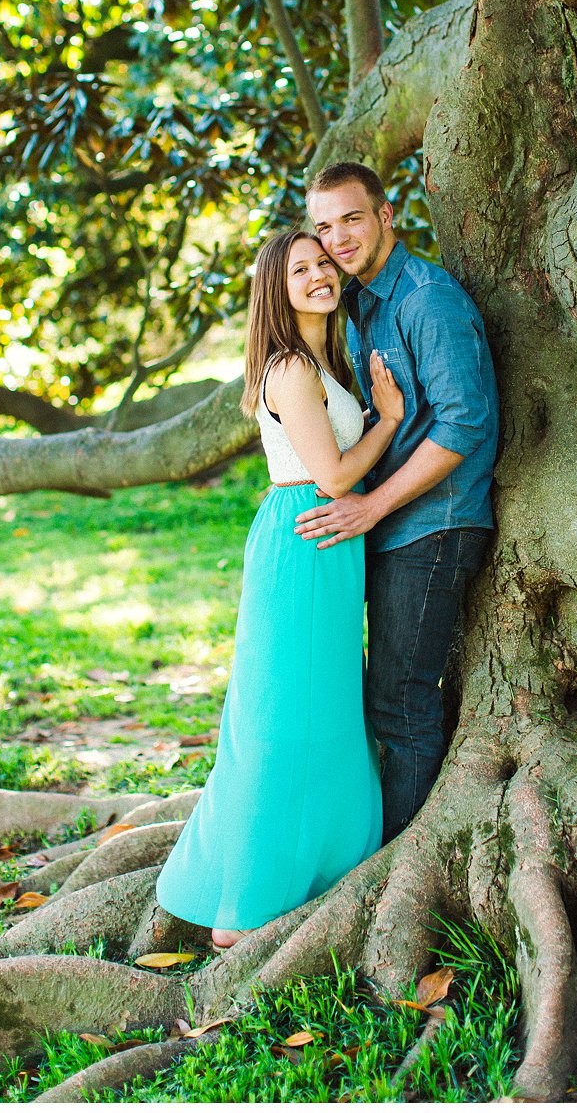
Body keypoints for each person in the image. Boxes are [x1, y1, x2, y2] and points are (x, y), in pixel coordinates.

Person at [156, 230, 403, 948]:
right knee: (281, 716)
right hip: (306, 534)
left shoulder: (329, 359)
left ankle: (315, 871)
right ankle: (242, 906)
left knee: (328, 708)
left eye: (324, 262)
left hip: (330, 545)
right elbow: (331, 475)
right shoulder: (292, 368)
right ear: (278, 285)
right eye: (302, 268)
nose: (321, 274)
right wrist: (388, 419)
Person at [296, 162, 500, 842]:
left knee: (402, 707)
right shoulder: (359, 305)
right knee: (365, 700)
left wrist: (372, 506)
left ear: (387, 214)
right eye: (324, 226)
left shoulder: (425, 298)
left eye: (351, 218)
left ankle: (404, 863)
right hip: (388, 526)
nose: (338, 237)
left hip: (433, 525)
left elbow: (463, 423)